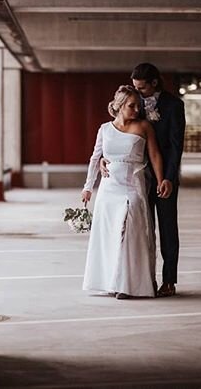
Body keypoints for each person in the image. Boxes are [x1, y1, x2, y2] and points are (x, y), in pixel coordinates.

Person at [101, 63, 186, 297]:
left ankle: (169, 281)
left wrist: (168, 177)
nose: (137, 93)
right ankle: (136, 280)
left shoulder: (174, 105)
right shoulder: (132, 101)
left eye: (141, 87)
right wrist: (103, 159)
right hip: (135, 180)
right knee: (134, 231)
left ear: (154, 83)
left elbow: (175, 147)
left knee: (168, 228)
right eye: (135, 88)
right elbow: (116, 132)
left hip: (163, 179)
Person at [81, 85, 169, 299]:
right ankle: (110, 282)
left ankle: (128, 285)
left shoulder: (144, 127)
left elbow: (155, 155)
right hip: (108, 189)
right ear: (119, 106)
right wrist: (88, 187)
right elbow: (95, 158)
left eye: (138, 106)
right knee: (110, 236)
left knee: (130, 232)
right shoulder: (104, 129)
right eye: (131, 106)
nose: (136, 110)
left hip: (133, 187)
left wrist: (161, 180)